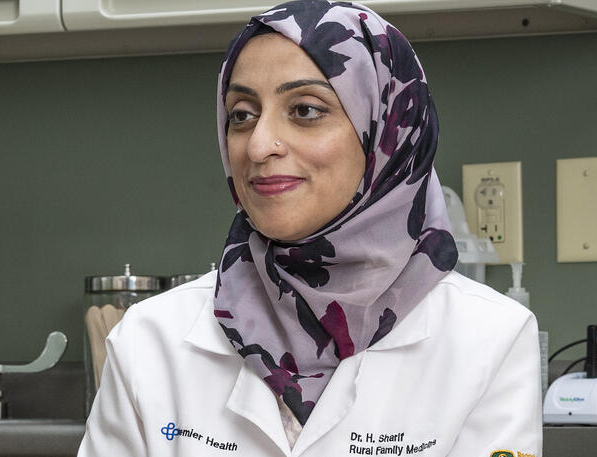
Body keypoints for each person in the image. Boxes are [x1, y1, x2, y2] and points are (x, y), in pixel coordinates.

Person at [79, 1, 541, 455]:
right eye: (241, 115)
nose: (258, 146)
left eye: (304, 110)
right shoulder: (148, 340)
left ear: (388, 134)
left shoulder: (490, 339)